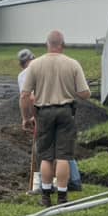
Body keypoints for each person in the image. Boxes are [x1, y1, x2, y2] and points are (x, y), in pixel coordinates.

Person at [19, 30, 91, 206]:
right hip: (66, 112)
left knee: (46, 157)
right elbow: (85, 93)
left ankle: (45, 196)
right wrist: (71, 89)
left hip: (44, 113)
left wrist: (26, 117)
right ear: (63, 45)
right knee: (63, 156)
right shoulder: (73, 64)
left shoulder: (35, 65)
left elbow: (25, 95)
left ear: (47, 44)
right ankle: (62, 196)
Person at [17, 48, 82, 192]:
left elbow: (28, 97)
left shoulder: (24, 75)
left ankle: (44, 185)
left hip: (44, 114)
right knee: (63, 148)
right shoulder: (48, 67)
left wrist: (29, 117)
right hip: (64, 111)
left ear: (21, 64)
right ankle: (75, 180)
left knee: (43, 150)